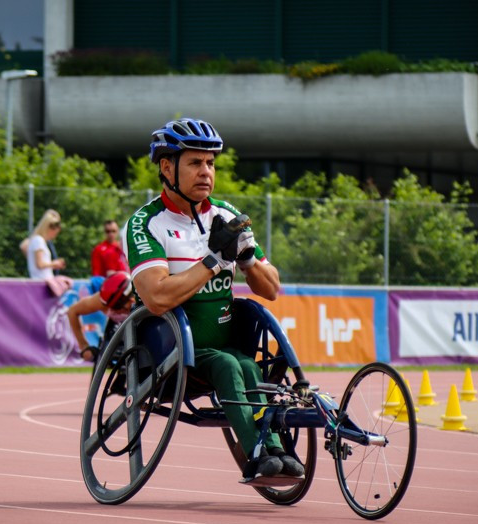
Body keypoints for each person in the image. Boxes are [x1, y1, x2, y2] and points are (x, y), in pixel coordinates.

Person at [125, 117, 302, 483]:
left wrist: (248, 257)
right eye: (194, 163)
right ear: (166, 167)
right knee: (227, 364)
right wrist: (215, 262)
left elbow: (270, 288)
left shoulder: (227, 214)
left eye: (210, 163)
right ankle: (257, 455)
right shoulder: (146, 223)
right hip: (171, 349)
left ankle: (276, 451)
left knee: (249, 367)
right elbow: (157, 297)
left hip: (225, 342)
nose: (206, 172)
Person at [67, 272, 135, 362]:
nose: (114, 310)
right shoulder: (103, 302)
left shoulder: (144, 298)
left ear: (131, 300)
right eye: (111, 307)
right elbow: (72, 311)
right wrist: (84, 346)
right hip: (118, 331)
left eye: (117, 307)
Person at [26, 209, 73, 297]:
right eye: (55, 233)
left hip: (44, 282)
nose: (55, 236)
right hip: (41, 283)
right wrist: (54, 263)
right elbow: (39, 264)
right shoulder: (38, 240)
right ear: (49, 228)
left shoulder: (39, 241)